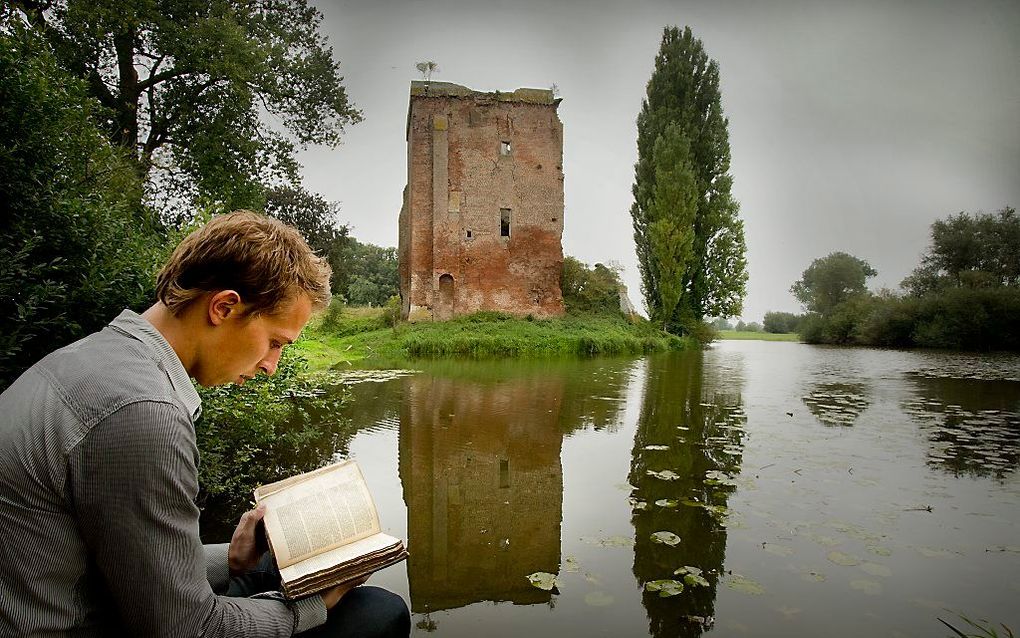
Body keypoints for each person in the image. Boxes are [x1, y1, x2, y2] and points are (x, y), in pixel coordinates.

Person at [0, 211, 410, 637]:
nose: (271, 365)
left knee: (268, 566)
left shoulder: (92, 359)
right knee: (376, 614)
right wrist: (312, 608)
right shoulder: (143, 411)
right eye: (275, 342)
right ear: (224, 306)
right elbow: (184, 628)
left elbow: (126, 563)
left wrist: (233, 561)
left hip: (76, 597)